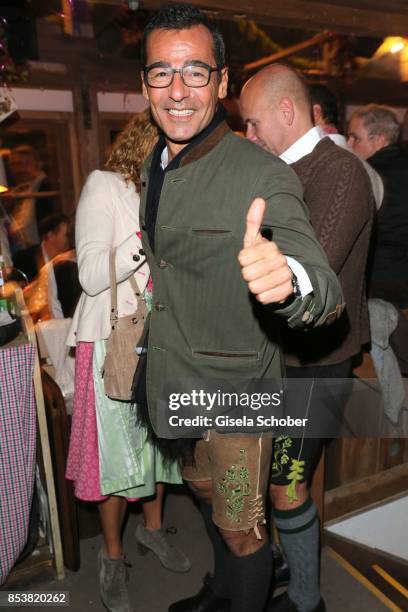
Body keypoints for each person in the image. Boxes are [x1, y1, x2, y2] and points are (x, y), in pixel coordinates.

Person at [138, 5, 344, 612]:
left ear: (223, 83)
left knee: (243, 529)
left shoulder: (261, 172)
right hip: (175, 382)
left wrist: (291, 280)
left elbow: (323, 287)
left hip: (237, 398)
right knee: (206, 500)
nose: (177, 91)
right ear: (144, 83)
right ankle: (222, 593)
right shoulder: (158, 161)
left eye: (196, 73)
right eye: (161, 73)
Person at [241, 65, 374, 612]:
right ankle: (282, 569)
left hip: (318, 362)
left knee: (287, 486)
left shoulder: (340, 171)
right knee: (264, 479)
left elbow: (309, 269)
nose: (247, 137)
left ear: (287, 113)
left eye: (252, 124)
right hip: (280, 355)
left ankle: (306, 599)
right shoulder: (278, 171)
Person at [65, 112, 190, 612]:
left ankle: (154, 531)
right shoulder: (104, 185)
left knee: (160, 445)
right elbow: (91, 274)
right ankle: (113, 556)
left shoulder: (177, 192)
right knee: (116, 461)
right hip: (113, 338)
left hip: (163, 337)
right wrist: (148, 237)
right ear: (149, 143)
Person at [347, 104, 408, 308]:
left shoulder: (362, 175)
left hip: (374, 286)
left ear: (380, 140)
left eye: (356, 138)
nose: (349, 144)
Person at [310, 83, 383, 209]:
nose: (350, 143)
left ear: (316, 112)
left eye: (356, 138)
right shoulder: (369, 171)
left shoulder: (319, 160)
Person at [7, 145, 56, 253]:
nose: (20, 169)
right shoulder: (22, 190)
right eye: (14, 165)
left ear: (39, 164)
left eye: (26, 164)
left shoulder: (47, 187)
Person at [13, 213, 70, 282]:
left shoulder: (69, 260)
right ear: (50, 236)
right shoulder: (23, 259)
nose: (70, 238)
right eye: (67, 235)